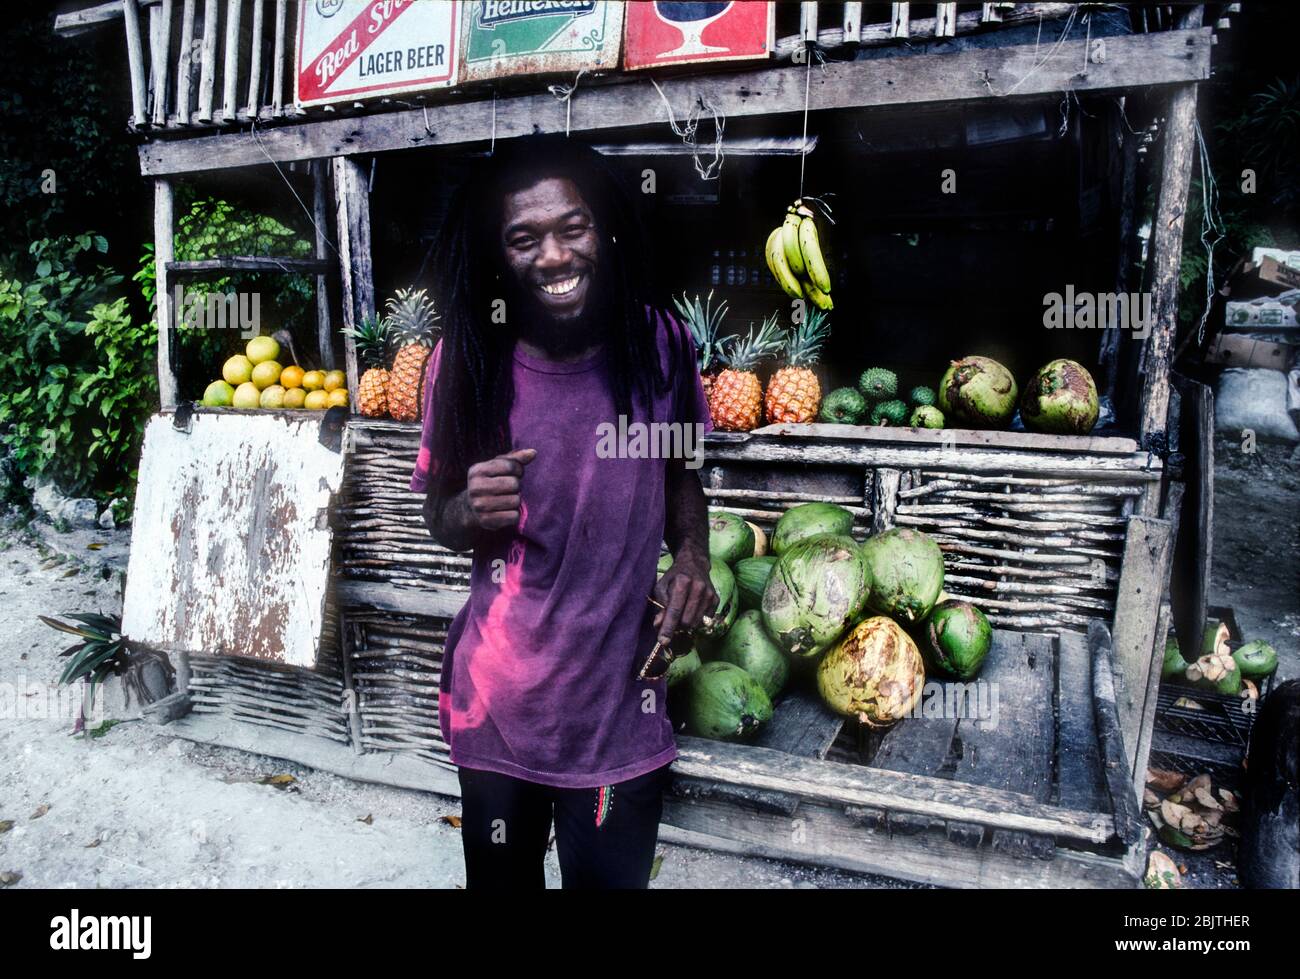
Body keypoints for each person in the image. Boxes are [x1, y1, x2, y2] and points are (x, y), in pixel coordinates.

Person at [408, 134, 716, 889]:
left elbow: (683, 472)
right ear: (498, 254)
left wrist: (695, 559)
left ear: (602, 228)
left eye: (570, 227)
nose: (553, 256)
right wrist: (467, 510)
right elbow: (437, 519)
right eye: (524, 238)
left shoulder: (662, 347)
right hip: (499, 707)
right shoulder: (465, 363)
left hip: (618, 710)